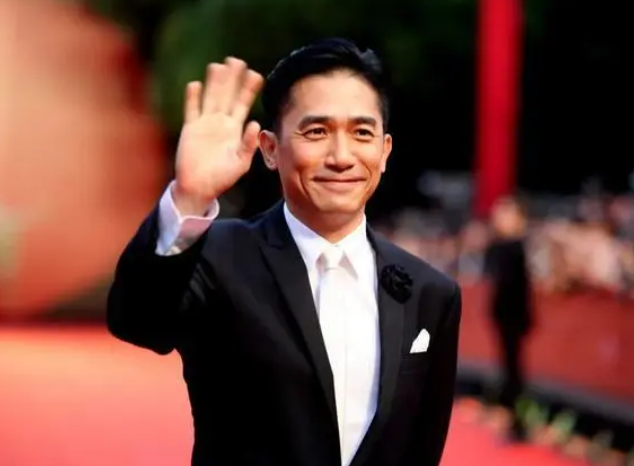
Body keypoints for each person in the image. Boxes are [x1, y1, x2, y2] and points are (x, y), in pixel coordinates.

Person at [107, 38, 462, 466]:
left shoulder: (429, 293)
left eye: (361, 133)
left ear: (384, 151)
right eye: (317, 132)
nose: (342, 156)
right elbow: (139, 321)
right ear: (271, 150)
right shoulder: (219, 256)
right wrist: (189, 198)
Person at [483, 196, 533, 441]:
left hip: (514, 318)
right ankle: (515, 419)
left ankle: (519, 421)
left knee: (514, 372)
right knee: (509, 369)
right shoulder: (502, 248)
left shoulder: (517, 248)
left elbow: (518, 288)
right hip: (506, 318)